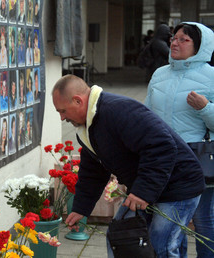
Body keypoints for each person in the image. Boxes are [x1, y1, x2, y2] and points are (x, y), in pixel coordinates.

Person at [55, 75, 205, 257]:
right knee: (120, 237)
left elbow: (162, 147)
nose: (62, 118)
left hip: (179, 185)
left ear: (78, 101)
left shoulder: (118, 110)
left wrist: (142, 192)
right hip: (149, 186)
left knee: (161, 246)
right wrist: (81, 208)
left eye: (63, 111)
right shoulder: (86, 126)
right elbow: (92, 172)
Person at [145, 22, 214, 257]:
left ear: (200, 46)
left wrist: (205, 108)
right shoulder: (159, 74)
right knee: (172, 223)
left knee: (203, 221)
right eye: (174, 37)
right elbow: (147, 115)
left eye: (184, 39)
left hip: (198, 160)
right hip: (163, 160)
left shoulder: (211, 76)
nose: (175, 42)